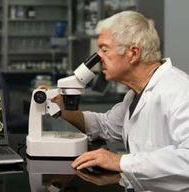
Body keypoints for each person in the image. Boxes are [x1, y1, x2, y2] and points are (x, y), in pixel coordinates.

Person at [52, 11, 189, 191]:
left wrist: (120, 162)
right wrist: (62, 108)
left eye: (104, 49)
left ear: (133, 53)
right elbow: (105, 127)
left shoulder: (179, 90)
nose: (99, 57)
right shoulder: (134, 95)